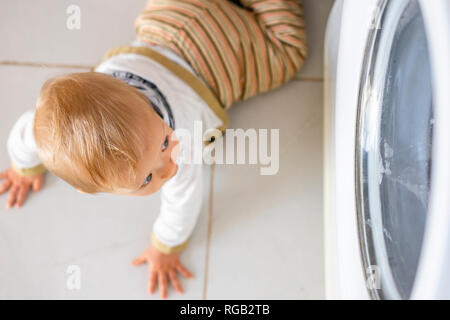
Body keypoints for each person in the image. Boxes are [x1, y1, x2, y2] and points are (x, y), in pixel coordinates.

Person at [0, 0, 307, 299]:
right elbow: (27, 133)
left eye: (163, 142)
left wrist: (165, 247)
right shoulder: (112, 92)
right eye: (148, 179)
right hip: (173, 19)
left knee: (288, 50)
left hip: (231, 54)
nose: (168, 167)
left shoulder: (181, 144)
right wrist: (22, 165)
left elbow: (182, 205)